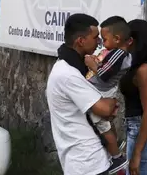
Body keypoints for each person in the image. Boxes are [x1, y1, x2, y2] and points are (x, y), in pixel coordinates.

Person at [46, 13, 120, 175]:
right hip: (87, 163)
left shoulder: (72, 67)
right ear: (81, 41)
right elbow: (105, 109)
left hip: (88, 159)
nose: (99, 43)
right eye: (95, 38)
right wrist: (110, 97)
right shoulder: (68, 74)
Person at [84, 16, 134, 172]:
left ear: (117, 38)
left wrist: (91, 63)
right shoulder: (115, 53)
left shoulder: (119, 54)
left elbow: (104, 74)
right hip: (101, 91)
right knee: (105, 125)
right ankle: (114, 151)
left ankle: (117, 158)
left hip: (102, 93)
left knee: (103, 126)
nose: (101, 42)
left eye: (104, 39)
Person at [119, 19, 147, 175]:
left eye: (127, 38)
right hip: (134, 127)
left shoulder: (144, 70)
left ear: (134, 40)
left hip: (140, 129)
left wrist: (137, 153)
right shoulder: (136, 65)